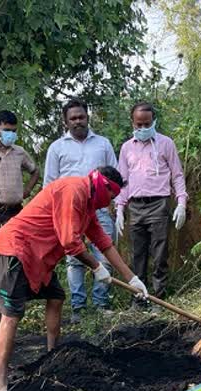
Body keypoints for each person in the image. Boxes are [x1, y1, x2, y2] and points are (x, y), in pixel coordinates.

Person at [0, 166, 148, 391]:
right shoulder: (74, 190)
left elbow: (103, 241)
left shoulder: (88, 205)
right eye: (112, 198)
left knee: (56, 296)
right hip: (17, 249)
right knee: (11, 315)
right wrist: (96, 267)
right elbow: (69, 242)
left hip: (41, 256)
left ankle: (52, 358)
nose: (111, 203)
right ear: (103, 188)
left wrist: (132, 279)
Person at [44, 98, 118, 322]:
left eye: (81, 117)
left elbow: (114, 177)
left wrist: (114, 207)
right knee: (74, 258)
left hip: (99, 209)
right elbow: (49, 183)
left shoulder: (103, 144)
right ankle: (79, 308)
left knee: (104, 255)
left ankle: (101, 304)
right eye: (73, 118)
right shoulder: (57, 148)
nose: (78, 121)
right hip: (69, 212)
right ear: (66, 122)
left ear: (88, 117)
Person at [115, 102, 188, 302]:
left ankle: (159, 297)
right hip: (135, 205)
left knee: (159, 252)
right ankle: (139, 298)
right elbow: (122, 181)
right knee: (137, 254)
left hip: (159, 203)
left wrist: (181, 202)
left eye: (147, 124)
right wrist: (120, 209)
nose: (143, 129)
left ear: (153, 121)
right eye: (139, 125)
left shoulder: (166, 143)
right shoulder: (127, 148)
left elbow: (177, 175)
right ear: (133, 122)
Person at [0, 110, 40, 225]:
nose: (10, 134)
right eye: (6, 130)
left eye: (13, 131)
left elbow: (35, 171)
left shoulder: (19, 152)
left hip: (15, 211)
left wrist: (27, 190)